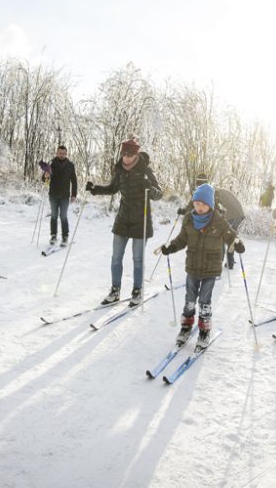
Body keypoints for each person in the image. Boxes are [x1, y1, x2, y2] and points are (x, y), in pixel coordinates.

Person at [157, 183, 244, 348]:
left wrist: (236, 243)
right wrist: (171, 247)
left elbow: (230, 235)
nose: (199, 207)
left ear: (210, 205)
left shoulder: (218, 221)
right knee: (189, 300)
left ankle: (204, 331)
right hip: (192, 267)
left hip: (211, 268)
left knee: (205, 301)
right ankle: (186, 327)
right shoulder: (189, 220)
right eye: (197, 204)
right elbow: (182, 239)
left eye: (203, 204)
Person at [86, 137, 163, 306]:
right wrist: (95, 189)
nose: (125, 157)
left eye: (129, 154)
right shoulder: (120, 169)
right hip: (122, 219)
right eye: (123, 154)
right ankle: (115, 291)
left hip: (140, 221)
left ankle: (137, 290)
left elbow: (159, 194)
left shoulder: (146, 171)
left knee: (137, 259)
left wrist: (149, 187)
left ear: (136, 155)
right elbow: (113, 188)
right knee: (116, 258)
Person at [41, 145, 78, 246]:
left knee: (63, 216)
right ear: (57, 153)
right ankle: (53, 236)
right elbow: (44, 180)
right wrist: (46, 176)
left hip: (65, 196)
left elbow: (74, 181)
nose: (62, 155)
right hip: (53, 194)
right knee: (53, 215)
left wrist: (74, 194)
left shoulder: (70, 165)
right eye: (60, 153)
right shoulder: (51, 164)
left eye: (63, 153)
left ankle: (65, 237)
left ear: (66, 154)